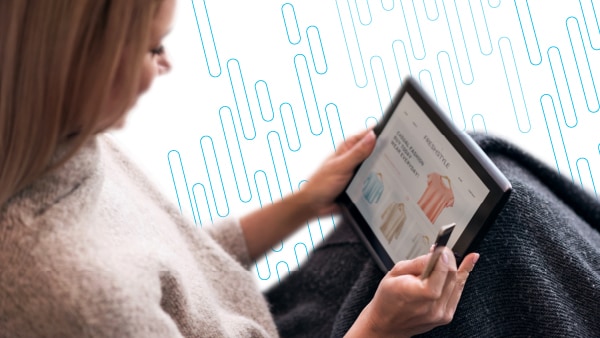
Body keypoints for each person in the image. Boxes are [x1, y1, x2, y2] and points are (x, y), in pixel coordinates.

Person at [2, 1, 599, 338]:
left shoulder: (66, 139)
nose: (167, 65)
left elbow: (174, 261)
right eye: (153, 48)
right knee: (511, 226)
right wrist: (377, 331)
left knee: (483, 161)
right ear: (79, 62)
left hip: (265, 318)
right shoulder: (84, 305)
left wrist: (305, 202)